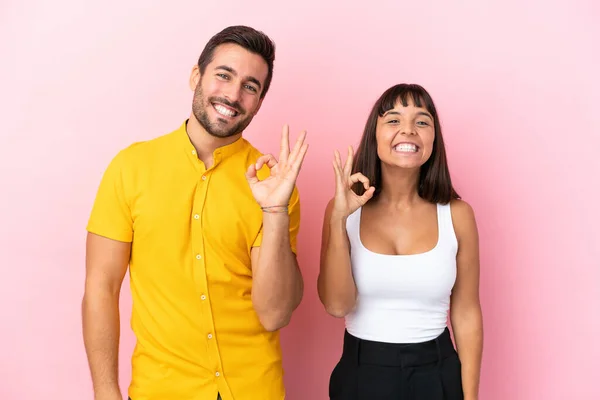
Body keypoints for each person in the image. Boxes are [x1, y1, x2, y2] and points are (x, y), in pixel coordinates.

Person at [82, 25, 308, 400]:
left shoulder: (274, 184)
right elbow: (101, 287)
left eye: (250, 86)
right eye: (224, 75)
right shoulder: (131, 167)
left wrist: (275, 211)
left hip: (253, 390)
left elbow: (274, 314)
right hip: (162, 389)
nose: (233, 95)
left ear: (259, 101)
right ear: (195, 76)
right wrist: (106, 392)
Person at [318, 83, 483, 399]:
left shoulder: (458, 215)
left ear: (434, 138)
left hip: (437, 373)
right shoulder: (342, 210)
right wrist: (338, 220)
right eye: (393, 120)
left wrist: (470, 397)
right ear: (374, 135)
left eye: (422, 122)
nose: (408, 131)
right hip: (361, 374)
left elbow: (467, 312)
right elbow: (336, 305)